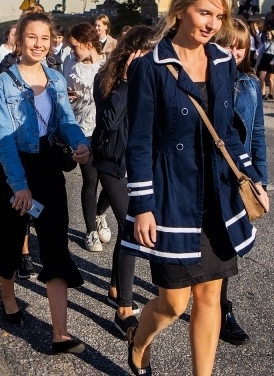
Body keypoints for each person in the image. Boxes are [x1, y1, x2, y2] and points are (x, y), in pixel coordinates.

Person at [123, 0, 269, 375]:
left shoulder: (223, 62)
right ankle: (138, 340)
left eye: (218, 16)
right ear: (181, 9)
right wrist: (144, 206)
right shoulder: (150, 67)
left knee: (210, 297)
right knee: (173, 303)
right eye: (205, 12)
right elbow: (138, 144)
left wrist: (252, 177)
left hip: (217, 197)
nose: (212, 23)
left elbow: (227, 133)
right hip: (171, 197)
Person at [0, 12, 91, 354]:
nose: (38, 44)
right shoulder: (5, 84)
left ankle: (60, 334)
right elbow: (3, 138)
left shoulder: (56, 79)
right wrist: (18, 185)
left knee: (55, 245)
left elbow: (65, 120)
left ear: (51, 41)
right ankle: (8, 296)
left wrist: (80, 143)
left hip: (47, 166)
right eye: (32, 37)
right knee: (10, 240)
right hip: (14, 168)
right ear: (19, 40)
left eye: (45, 38)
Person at [92, 26, 158, 337]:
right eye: (142, 53)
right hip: (111, 163)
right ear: (129, 53)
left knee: (126, 228)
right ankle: (124, 311)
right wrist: (128, 82)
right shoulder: (107, 79)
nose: (147, 59)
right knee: (130, 227)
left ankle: (117, 286)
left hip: (140, 165)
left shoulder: (154, 79)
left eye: (151, 53)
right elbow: (108, 121)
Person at [213, 19, 269, 345]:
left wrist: (261, 183)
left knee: (227, 247)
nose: (234, 52)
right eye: (228, 44)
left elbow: (257, 136)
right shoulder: (202, 81)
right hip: (206, 177)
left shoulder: (249, 84)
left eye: (240, 46)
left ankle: (222, 310)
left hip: (237, 179)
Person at [63, 22, 109, 252]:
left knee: (112, 181)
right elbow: (64, 91)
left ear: (88, 44)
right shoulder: (71, 63)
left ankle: (100, 213)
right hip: (82, 129)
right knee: (90, 180)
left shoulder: (109, 64)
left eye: (74, 47)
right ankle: (91, 230)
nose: (72, 51)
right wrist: (68, 96)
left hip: (107, 129)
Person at [257, 29, 274, 99]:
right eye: (266, 34)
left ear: (272, 35)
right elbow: (262, 52)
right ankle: (263, 92)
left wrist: (273, 61)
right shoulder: (265, 42)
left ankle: (271, 93)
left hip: (271, 59)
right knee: (261, 77)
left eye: (268, 34)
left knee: (270, 78)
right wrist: (258, 60)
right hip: (264, 59)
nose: (267, 36)